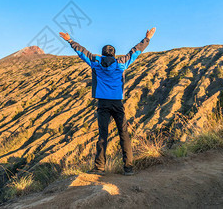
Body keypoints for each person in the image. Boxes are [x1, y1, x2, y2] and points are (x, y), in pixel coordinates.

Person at [59, 28, 156, 176]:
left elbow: (82, 52)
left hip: (103, 104)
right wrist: (147, 38)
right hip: (117, 103)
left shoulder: (96, 63)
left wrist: (69, 40)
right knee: (123, 134)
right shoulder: (121, 63)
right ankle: (128, 168)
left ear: (103, 54)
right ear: (114, 54)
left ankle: (99, 168)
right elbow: (135, 51)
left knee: (102, 135)